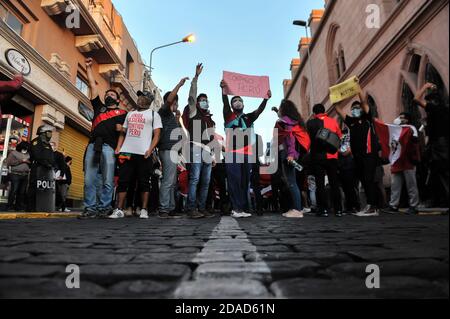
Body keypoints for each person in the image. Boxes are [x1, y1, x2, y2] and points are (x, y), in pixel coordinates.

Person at [80, 58, 128, 219]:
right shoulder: (98, 108)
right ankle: (90, 208)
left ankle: (104, 207)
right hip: (93, 146)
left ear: (117, 100)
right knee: (89, 179)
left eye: (112, 94)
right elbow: (93, 86)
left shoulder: (123, 114)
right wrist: (88, 68)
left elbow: (125, 132)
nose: (108, 95)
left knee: (107, 180)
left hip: (109, 148)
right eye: (107, 93)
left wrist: (121, 136)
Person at [220, 80, 271, 218]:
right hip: (232, 153)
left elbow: (259, 111)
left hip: (247, 154)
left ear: (243, 104)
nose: (237, 102)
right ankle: (236, 208)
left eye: (240, 100)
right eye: (235, 100)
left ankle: (242, 208)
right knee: (234, 180)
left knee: (244, 181)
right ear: (232, 105)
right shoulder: (228, 115)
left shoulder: (249, 118)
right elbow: (225, 102)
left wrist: (265, 99)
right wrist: (224, 90)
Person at [109, 90, 162, 219]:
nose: (139, 99)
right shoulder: (130, 114)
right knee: (123, 181)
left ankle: (144, 209)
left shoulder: (154, 115)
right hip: (127, 151)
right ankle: (119, 209)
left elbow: (157, 134)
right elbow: (123, 132)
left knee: (144, 182)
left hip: (143, 153)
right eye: (139, 96)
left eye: (142, 97)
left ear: (148, 100)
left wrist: (150, 150)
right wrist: (118, 147)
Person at [335, 90, 381, 217]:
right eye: (353, 108)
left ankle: (373, 207)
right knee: (364, 181)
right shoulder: (350, 122)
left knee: (368, 179)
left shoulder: (367, 119)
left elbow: (364, 102)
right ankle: (370, 205)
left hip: (369, 154)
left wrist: (357, 89)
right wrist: (336, 95)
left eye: (357, 108)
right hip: (357, 156)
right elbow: (338, 109)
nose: (355, 110)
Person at [182, 64, 216, 219]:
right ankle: (191, 208)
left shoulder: (209, 120)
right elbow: (191, 95)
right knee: (195, 179)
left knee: (206, 181)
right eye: (201, 100)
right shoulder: (193, 112)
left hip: (208, 152)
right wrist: (196, 77)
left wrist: (214, 155)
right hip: (195, 148)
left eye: (205, 100)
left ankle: (201, 208)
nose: (203, 102)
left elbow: (212, 138)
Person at [158, 77, 189, 219]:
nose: (176, 104)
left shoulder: (171, 116)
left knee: (172, 180)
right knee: (168, 180)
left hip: (173, 151)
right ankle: (164, 208)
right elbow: (170, 99)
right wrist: (179, 85)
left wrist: (178, 118)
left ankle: (170, 207)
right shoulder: (164, 111)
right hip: (168, 149)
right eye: (175, 102)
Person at [414, 83, 449, 208]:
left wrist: (425, 86)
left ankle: (441, 200)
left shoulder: (435, 108)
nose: (426, 107)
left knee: (442, 173)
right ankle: (438, 200)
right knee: (437, 173)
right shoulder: (444, 110)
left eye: (428, 102)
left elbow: (416, 98)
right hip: (440, 144)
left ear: (433, 101)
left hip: (439, 145)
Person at [275, 100, 310, 218]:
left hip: (288, 153)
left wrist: (290, 154)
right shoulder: (295, 121)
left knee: (291, 182)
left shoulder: (285, 121)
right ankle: (297, 208)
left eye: (280, 108)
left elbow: (290, 137)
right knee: (293, 182)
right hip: (294, 154)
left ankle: (297, 209)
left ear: (283, 109)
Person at [307, 104, 343, 217]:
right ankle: (338, 210)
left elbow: (308, 140)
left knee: (320, 184)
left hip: (318, 157)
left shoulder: (310, 123)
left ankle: (323, 209)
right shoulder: (333, 121)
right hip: (332, 156)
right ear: (324, 111)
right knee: (334, 183)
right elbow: (339, 137)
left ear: (314, 113)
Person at [383, 112, 421, 215]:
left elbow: (413, 142)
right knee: (395, 184)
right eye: (400, 117)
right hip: (397, 161)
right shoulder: (395, 130)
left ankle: (414, 206)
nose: (400, 119)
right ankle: (393, 205)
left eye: (402, 118)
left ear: (407, 120)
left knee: (411, 184)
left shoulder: (411, 128)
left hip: (408, 161)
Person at [28, 125, 56, 212]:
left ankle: (43, 206)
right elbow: (37, 155)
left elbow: (51, 156)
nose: (51, 134)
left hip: (47, 170)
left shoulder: (47, 144)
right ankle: (31, 208)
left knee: (44, 188)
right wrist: (45, 163)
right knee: (34, 187)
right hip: (38, 167)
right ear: (43, 133)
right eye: (49, 132)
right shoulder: (36, 141)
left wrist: (52, 164)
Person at [337, 126, 361, 215]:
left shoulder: (348, 138)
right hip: (342, 165)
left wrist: (336, 150)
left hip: (349, 164)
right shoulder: (342, 138)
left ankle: (354, 206)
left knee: (350, 187)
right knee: (346, 188)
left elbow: (346, 152)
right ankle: (350, 207)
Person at [5, 142, 30, 211]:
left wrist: (28, 162)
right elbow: (9, 162)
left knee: (22, 192)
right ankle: (9, 206)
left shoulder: (28, 154)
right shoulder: (13, 153)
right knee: (14, 191)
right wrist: (21, 161)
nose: (27, 148)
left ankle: (18, 207)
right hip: (15, 174)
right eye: (26, 147)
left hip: (25, 175)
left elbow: (29, 163)